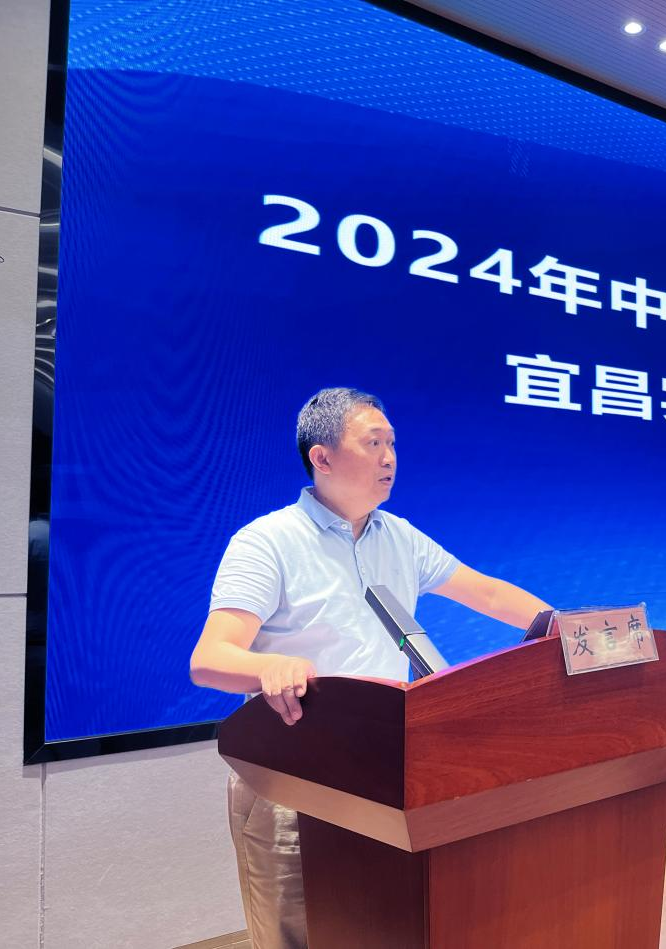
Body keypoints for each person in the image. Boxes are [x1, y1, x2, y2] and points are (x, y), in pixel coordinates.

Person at [189, 387, 551, 949]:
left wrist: (561, 627)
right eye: (373, 443)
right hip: (292, 772)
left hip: (383, 771)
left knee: (378, 926)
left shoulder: (398, 536)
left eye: (393, 444)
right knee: (296, 934)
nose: (389, 458)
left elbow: (487, 593)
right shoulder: (267, 542)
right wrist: (270, 667)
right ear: (322, 457)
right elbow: (209, 659)